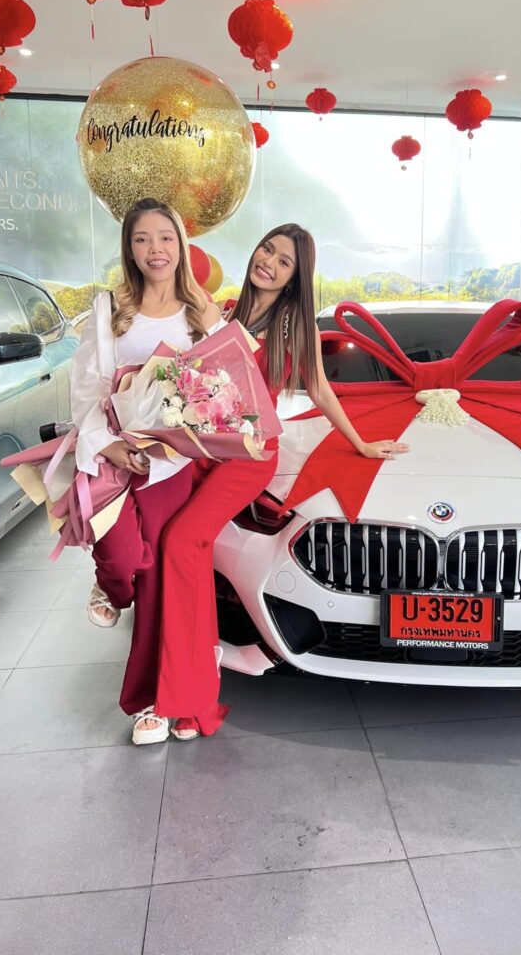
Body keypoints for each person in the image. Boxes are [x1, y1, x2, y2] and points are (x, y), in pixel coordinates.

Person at [143, 223, 409, 742]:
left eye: (284, 262)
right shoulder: (221, 313)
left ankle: (185, 695)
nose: (268, 262)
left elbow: (322, 390)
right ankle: (192, 687)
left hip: (248, 459)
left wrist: (360, 443)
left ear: (294, 279)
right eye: (267, 249)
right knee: (186, 558)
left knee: (181, 542)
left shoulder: (292, 332)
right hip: (201, 453)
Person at [70, 196, 224, 745]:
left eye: (164, 237)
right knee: (118, 555)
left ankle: (154, 701)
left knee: (159, 582)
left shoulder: (202, 313)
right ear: (129, 249)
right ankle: (110, 588)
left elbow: (222, 390)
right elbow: (86, 387)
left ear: (180, 245)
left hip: (172, 465)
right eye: (142, 239)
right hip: (114, 456)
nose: (155, 249)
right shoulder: (110, 307)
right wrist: (109, 446)